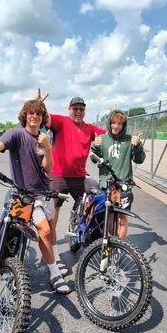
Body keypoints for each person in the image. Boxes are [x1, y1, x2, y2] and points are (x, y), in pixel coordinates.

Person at [0, 97, 71, 295]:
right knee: (44, 231)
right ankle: (54, 273)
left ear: (43, 117)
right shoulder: (16, 134)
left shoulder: (44, 138)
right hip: (26, 196)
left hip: (45, 192)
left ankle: (56, 260)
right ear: (25, 116)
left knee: (50, 229)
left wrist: (47, 148)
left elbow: (48, 167)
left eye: (38, 113)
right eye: (31, 113)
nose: (35, 116)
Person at [43, 95, 106, 252]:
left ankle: (85, 233)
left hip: (79, 177)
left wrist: (126, 141)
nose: (78, 111)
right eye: (75, 108)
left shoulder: (90, 128)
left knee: (96, 201)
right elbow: (46, 118)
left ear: (85, 111)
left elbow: (109, 135)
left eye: (81, 109)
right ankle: (53, 251)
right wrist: (39, 105)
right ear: (69, 110)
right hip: (58, 176)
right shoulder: (62, 121)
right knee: (53, 212)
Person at [91, 109, 146, 238]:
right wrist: (95, 146)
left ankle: (118, 247)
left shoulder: (130, 140)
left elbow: (140, 159)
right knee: (109, 219)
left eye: (119, 123)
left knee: (123, 219)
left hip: (124, 186)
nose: (116, 126)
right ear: (110, 123)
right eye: (113, 123)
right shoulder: (102, 139)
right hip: (108, 186)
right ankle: (110, 244)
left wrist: (137, 147)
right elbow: (94, 159)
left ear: (123, 125)